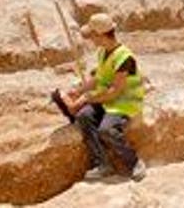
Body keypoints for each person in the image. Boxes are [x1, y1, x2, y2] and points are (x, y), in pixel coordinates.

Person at [61, 14, 146, 182]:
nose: (90, 39)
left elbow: (116, 91)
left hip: (123, 102)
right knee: (83, 116)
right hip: (107, 99)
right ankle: (103, 164)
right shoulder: (102, 52)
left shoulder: (124, 58)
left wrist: (89, 98)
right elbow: (98, 78)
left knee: (107, 130)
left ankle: (134, 162)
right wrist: (79, 90)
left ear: (100, 35)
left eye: (92, 35)